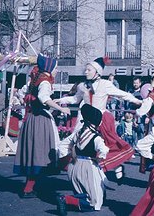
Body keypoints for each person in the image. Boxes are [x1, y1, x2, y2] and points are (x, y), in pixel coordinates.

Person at [55, 57, 141, 179]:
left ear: (97, 72)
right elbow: (75, 99)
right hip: (84, 120)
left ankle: (114, 167)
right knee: (74, 143)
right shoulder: (82, 86)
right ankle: (72, 167)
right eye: (85, 70)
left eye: (89, 70)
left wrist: (137, 101)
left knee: (106, 145)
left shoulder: (105, 84)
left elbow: (123, 94)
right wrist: (60, 100)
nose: (86, 72)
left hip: (100, 120)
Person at [14, 54, 71, 198]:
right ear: (49, 68)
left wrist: (25, 102)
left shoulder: (34, 79)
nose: (57, 71)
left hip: (31, 119)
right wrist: (61, 108)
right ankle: (28, 189)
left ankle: (30, 186)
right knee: (40, 153)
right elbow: (43, 98)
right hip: (40, 119)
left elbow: (20, 93)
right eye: (55, 68)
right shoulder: (44, 81)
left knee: (34, 152)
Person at [56, 104, 109, 215]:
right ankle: (66, 199)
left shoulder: (78, 133)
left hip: (74, 165)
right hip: (88, 166)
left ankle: (71, 200)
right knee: (94, 202)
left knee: (82, 190)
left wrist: (68, 155)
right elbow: (103, 149)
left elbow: (63, 145)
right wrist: (100, 157)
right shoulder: (96, 137)